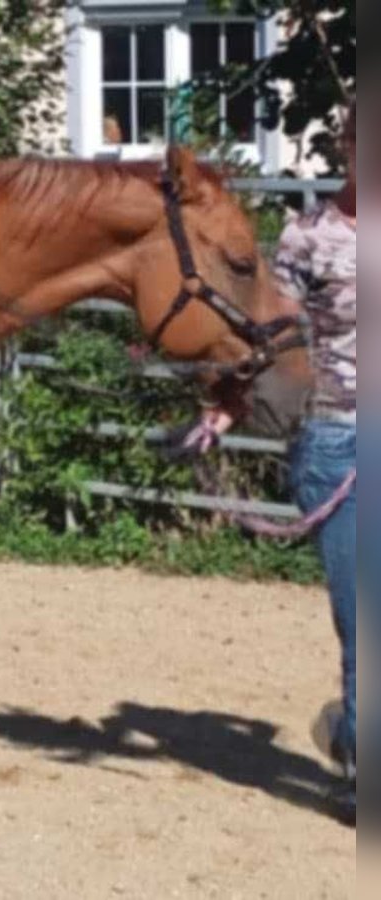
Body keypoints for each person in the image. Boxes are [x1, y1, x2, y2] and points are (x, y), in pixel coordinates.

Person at [274, 99, 356, 825]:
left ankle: (353, 733)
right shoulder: (305, 237)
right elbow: (269, 336)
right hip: (337, 441)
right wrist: (225, 406)